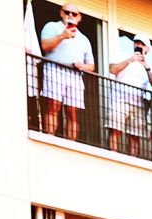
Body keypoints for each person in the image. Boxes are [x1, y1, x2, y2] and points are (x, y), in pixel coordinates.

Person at [37, 5, 96, 144]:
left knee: (72, 112)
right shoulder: (52, 26)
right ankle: (50, 137)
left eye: (74, 13)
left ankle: (71, 143)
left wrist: (82, 66)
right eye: (67, 12)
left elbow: (91, 66)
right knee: (53, 106)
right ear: (61, 13)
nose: (70, 15)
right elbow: (45, 46)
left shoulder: (84, 39)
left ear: (79, 17)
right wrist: (63, 35)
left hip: (75, 75)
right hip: (54, 69)